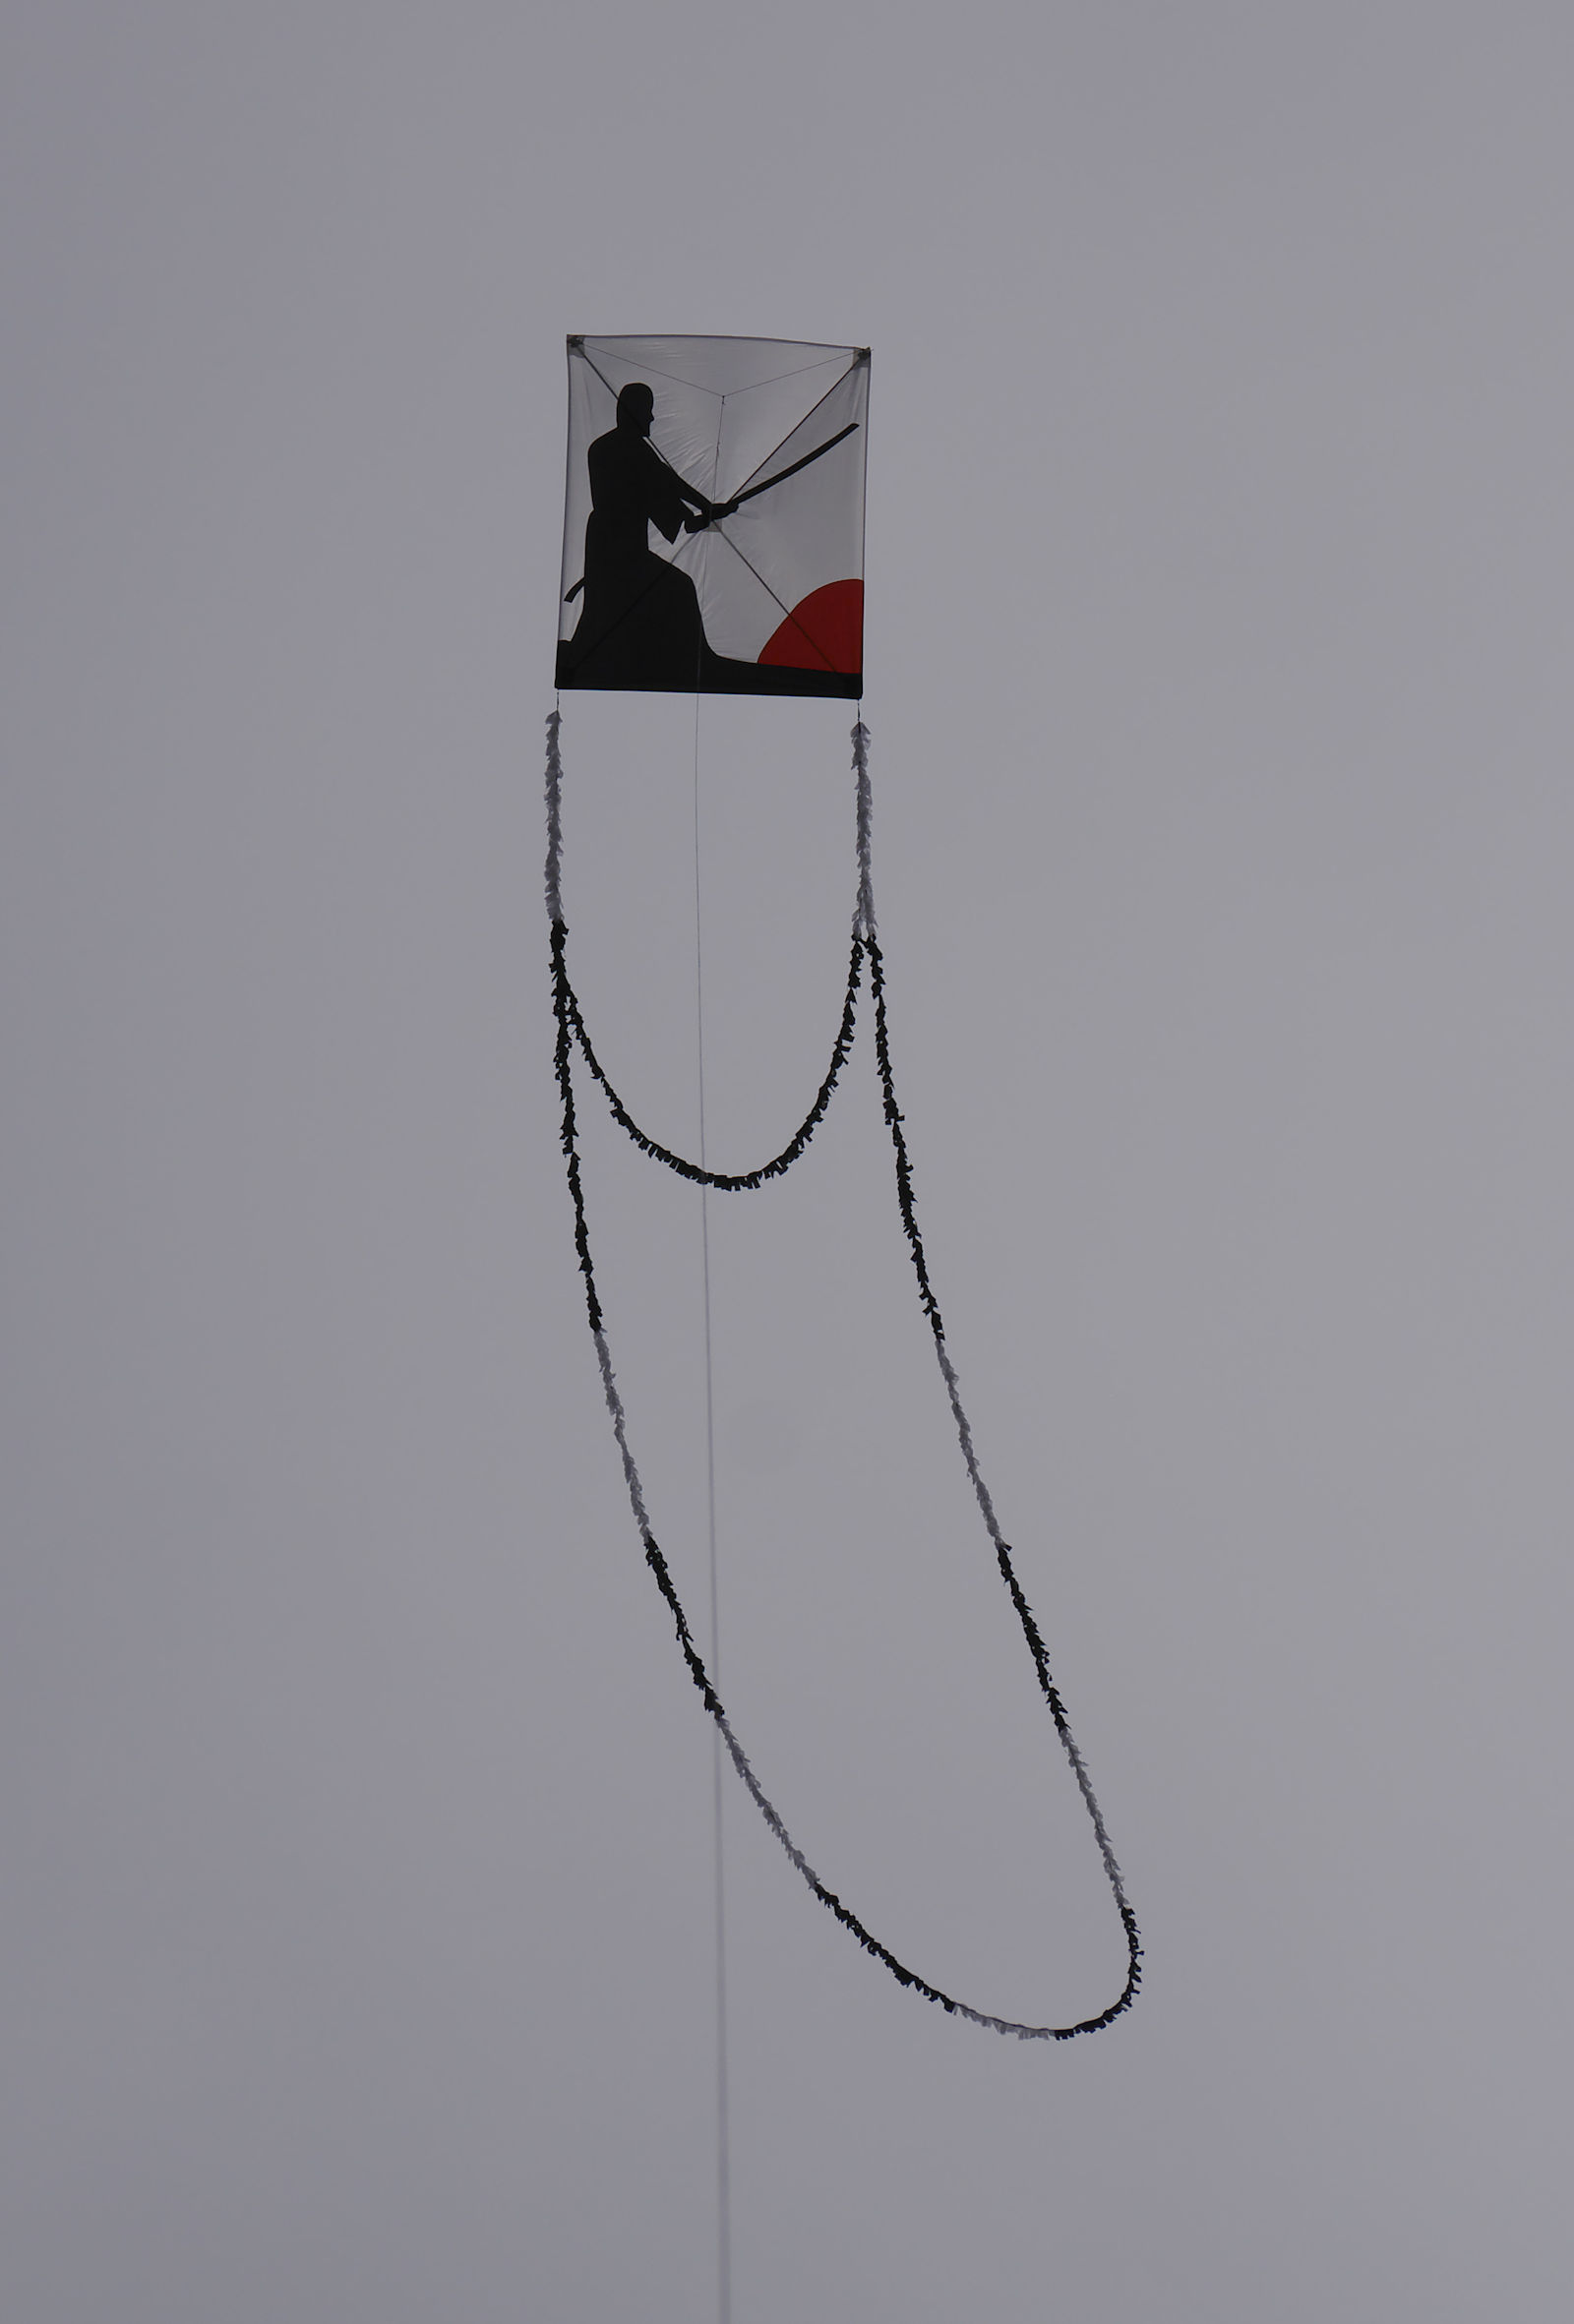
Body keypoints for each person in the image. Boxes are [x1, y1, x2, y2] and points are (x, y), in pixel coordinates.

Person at [558, 383, 738, 690]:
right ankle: (691, 661)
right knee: (677, 588)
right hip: (619, 549)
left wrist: (704, 511)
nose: (652, 419)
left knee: (611, 608)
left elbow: (664, 481)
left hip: (620, 545)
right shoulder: (620, 449)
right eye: (647, 411)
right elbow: (665, 481)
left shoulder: (615, 448)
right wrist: (703, 510)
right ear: (633, 412)